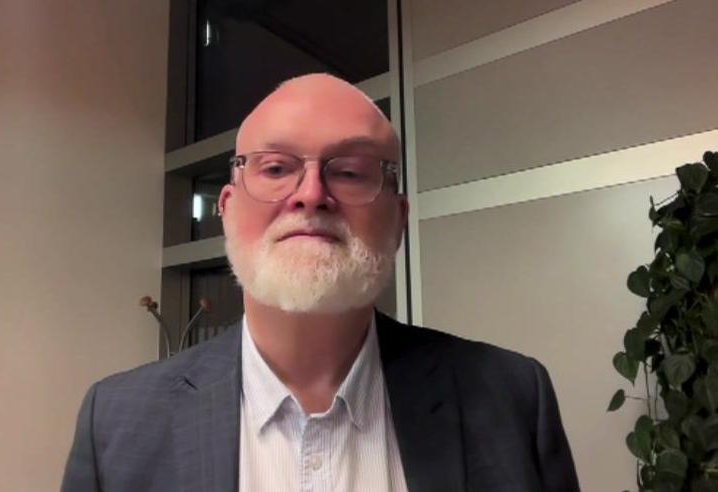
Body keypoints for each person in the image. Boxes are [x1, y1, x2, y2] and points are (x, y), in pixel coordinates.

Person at [60, 73, 579, 492]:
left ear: (398, 219)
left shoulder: (512, 398)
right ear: (226, 208)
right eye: (276, 168)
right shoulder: (116, 424)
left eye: (350, 171)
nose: (310, 194)